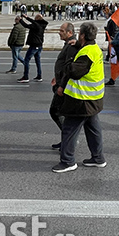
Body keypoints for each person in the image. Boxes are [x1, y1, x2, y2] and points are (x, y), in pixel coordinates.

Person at [52, 22, 106, 172]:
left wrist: (70, 60)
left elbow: (74, 71)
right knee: (93, 128)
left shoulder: (86, 53)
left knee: (69, 129)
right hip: (93, 98)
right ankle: (98, 157)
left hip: (81, 99)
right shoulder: (94, 48)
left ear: (82, 35)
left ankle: (68, 161)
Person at [49, 22, 77, 150]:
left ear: (69, 33)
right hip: (60, 82)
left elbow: (69, 68)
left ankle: (69, 141)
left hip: (63, 86)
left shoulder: (72, 46)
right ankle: (67, 140)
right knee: (61, 113)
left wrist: (61, 85)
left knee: (55, 112)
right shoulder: (69, 44)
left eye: (61, 31)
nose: (59, 32)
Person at [18, 13, 48, 83]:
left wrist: (21, 20)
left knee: (26, 60)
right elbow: (32, 22)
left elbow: (26, 25)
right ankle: (39, 76)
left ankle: (26, 77)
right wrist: (26, 17)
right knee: (38, 61)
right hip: (39, 45)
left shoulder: (36, 25)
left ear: (37, 19)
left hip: (34, 45)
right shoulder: (42, 24)